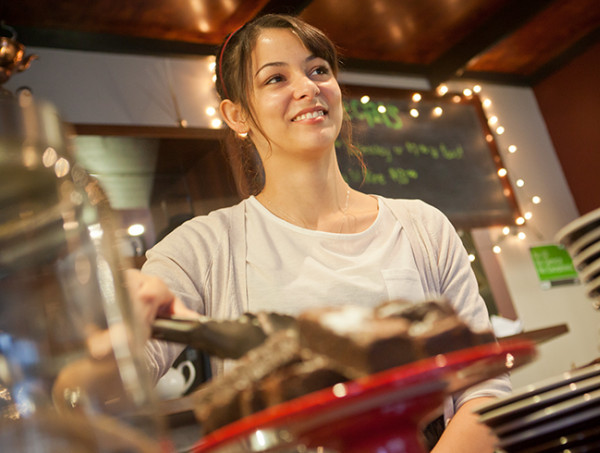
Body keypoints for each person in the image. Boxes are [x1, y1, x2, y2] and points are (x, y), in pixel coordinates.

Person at [133, 13, 510, 452]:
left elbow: (485, 387)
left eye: (318, 70)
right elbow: (120, 378)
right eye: (275, 78)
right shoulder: (201, 247)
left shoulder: (424, 226)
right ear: (236, 115)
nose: (308, 87)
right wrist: (113, 320)